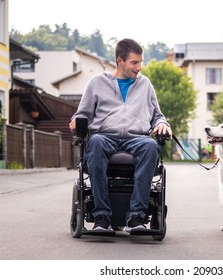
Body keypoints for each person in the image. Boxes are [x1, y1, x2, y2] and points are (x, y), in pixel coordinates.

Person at [69, 38, 172, 233]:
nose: (139, 67)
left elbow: (158, 116)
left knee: (151, 146)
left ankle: (136, 217)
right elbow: (82, 114)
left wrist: (162, 125)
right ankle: (102, 216)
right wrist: (77, 120)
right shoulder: (97, 83)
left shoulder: (145, 85)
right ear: (120, 61)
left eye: (141, 62)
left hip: (137, 138)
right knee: (96, 142)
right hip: (104, 136)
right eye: (135, 62)